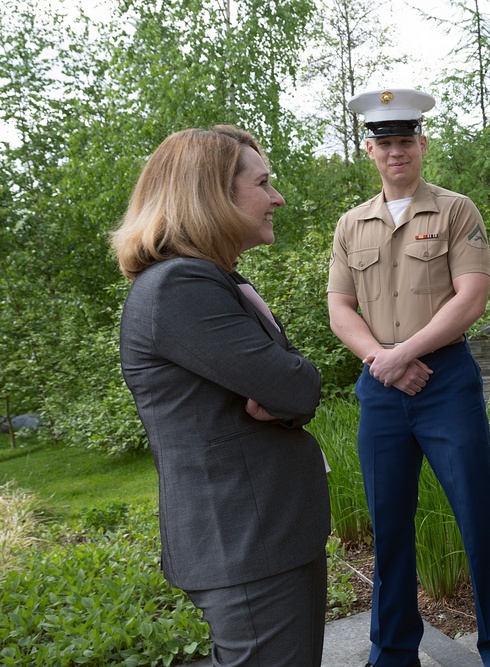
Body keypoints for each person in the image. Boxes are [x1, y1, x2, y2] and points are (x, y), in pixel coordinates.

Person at [112, 125, 331, 667]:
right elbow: (296, 386)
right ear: (211, 195)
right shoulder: (179, 287)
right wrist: (287, 387)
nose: (277, 197)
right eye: (263, 183)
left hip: (265, 538)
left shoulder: (211, 279)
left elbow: (283, 385)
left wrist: (282, 387)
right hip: (245, 544)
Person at [326, 88, 490, 667]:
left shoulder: (456, 211)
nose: (397, 153)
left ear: (422, 143)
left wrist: (405, 353)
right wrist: (380, 359)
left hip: (445, 381)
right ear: (370, 149)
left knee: (479, 516)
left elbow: (472, 296)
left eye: (406, 142)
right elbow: (341, 308)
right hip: (381, 387)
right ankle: (391, 654)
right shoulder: (351, 224)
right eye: (385, 143)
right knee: (387, 528)